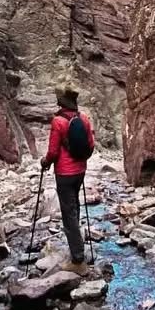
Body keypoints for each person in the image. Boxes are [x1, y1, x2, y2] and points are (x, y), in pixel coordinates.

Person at [40, 86, 95, 274]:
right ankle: (77, 244)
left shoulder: (58, 121)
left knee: (68, 213)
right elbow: (91, 145)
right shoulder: (83, 118)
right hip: (80, 171)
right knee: (74, 207)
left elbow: (53, 152)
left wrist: (45, 162)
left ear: (61, 103)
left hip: (64, 174)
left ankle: (78, 260)